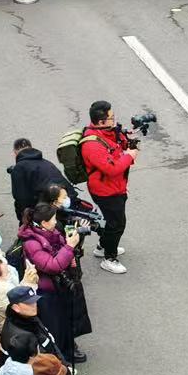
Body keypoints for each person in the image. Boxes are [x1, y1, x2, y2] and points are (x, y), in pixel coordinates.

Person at [79, 102, 136, 275]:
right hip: (106, 190)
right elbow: (111, 169)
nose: (114, 120)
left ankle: (102, 245)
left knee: (113, 221)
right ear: (101, 122)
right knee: (117, 223)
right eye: (111, 118)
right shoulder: (92, 145)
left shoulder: (103, 133)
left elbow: (115, 147)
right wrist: (130, 156)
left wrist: (124, 136)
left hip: (114, 186)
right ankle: (109, 258)